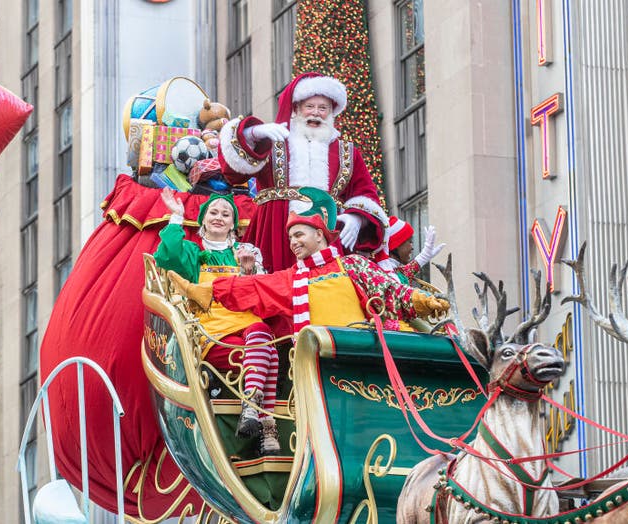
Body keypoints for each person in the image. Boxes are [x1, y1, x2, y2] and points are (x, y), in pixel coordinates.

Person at [166, 188, 450, 340]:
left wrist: (423, 301)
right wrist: (204, 291)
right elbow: (250, 288)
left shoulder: (351, 265)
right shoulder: (292, 278)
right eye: (290, 237)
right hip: (318, 364)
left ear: (319, 234)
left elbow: (390, 291)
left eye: (299, 234)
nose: (293, 243)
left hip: (364, 352)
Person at [216, 72, 388, 272]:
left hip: (327, 234)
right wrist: (254, 134)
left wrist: (356, 217)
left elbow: (365, 192)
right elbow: (233, 172)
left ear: (332, 112)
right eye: (310, 107)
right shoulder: (274, 140)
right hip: (273, 228)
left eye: (323, 108)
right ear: (296, 108)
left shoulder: (346, 151)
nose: (316, 113)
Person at [153, 188, 281, 455]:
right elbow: (167, 257)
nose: (219, 217)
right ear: (203, 220)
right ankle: (266, 424)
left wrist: (249, 272)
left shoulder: (246, 253)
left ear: (233, 223)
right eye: (213, 212)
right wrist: (176, 218)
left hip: (248, 328)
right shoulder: (192, 252)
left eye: (226, 214)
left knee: (261, 333)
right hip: (213, 333)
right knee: (268, 350)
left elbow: (262, 297)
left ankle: (251, 406)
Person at [374, 216, 446, 285]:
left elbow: (407, 271)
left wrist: (425, 255)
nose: (412, 247)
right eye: (410, 241)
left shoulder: (394, 270)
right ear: (396, 244)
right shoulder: (382, 275)